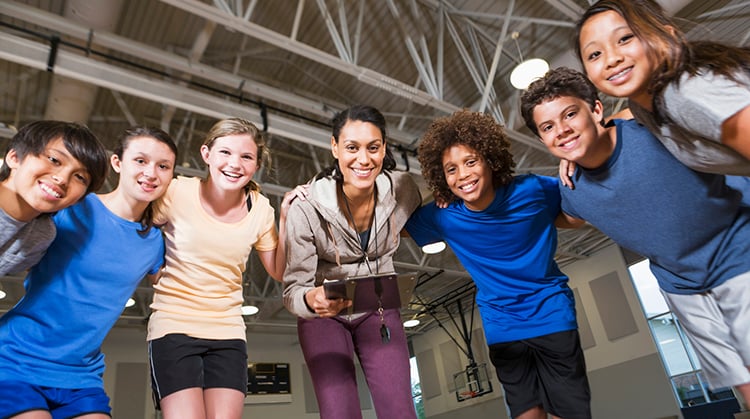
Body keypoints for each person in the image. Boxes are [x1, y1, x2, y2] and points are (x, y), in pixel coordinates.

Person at [520, 66, 750, 408]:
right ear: (542, 139)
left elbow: (660, 101)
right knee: (743, 386)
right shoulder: (573, 192)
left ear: (597, 110)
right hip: (681, 286)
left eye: (570, 114)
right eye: (548, 127)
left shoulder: (646, 128)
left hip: (737, 250)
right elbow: (566, 219)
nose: (562, 130)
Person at [404, 109, 591, 419]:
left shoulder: (531, 190)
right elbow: (390, 225)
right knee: (526, 413)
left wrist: (576, 160)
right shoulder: (443, 215)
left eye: (470, 162)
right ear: (442, 178)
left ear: (490, 160)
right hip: (502, 326)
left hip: (551, 314)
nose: (462, 175)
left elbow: (576, 205)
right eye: (451, 170)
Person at [0, 126, 177, 418]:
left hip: (80, 373)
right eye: (141, 161)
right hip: (17, 358)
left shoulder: (155, 242)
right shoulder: (70, 206)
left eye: (163, 166)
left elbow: (178, 289)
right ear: (117, 163)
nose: (151, 173)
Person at [148, 117, 300, 419]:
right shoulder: (177, 192)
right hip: (174, 324)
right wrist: (154, 268)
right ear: (206, 154)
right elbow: (140, 234)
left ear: (255, 165)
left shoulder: (260, 209)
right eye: (225, 153)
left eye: (246, 157)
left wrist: (285, 221)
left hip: (227, 329)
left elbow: (279, 272)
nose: (235, 164)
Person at [282, 105, 421, 419]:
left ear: (384, 148)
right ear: (335, 147)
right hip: (325, 316)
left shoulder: (403, 189)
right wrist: (309, 299)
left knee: (399, 410)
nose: (364, 159)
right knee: (339, 412)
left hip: (380, 307)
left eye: (373, 148)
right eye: (351, 148)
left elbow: (428, 212)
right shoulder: (306, 209)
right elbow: (292, 291)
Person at [573, 0, 750, 178]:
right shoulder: (643, 104)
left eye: (625, 39)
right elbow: (628, 114)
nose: (611, 59)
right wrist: (578, 142)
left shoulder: (687, 93)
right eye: (595, 54)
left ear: (667, 36)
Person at [0, 120, 108, 277]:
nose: (62, 179)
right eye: (54, 160)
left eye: (79, 177)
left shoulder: (41, 235)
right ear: (15, 158)